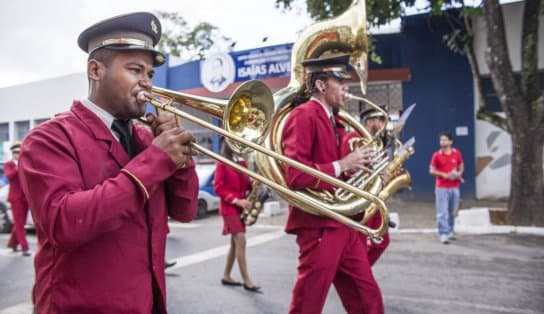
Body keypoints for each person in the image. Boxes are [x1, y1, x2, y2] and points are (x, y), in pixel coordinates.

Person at [17, 12, 198, 313]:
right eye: (135, 70)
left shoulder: (145, 139)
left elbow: (186, 211)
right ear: (95, 70)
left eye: (150, 74)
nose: (147, 84)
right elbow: (64, 224)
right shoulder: (48, 138)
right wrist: (156, 160)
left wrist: (178, 159)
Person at [282, 53, 384, 314]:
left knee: (368, 298)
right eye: (339, 80)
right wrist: (344, 164)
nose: (345, 86)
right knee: (308, 303)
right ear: (321, 84)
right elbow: (295, 175)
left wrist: (365, 172)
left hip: (342, 221)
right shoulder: (303, 115)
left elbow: (339, 172)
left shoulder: (333, 120)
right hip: (318, 225)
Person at [340, 107, 390, 267]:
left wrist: (384, 176)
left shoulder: (375, 142)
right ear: (370, 121)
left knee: (382, 241)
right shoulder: (354, 138)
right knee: (359, 245)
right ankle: (359, 274)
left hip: (372, 198)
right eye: (380, 120)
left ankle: (361, 272)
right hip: (359, 199)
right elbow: (350, 171)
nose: (383, 124)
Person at [213, 140, 260, 293]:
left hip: (239, 208)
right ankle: (247, 280)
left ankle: (226, 275)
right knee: (241, 241)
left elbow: (245, 185)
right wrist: (237, 200)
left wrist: (253, 184)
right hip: (229, 208)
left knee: (235, 244)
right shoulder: (222, 163)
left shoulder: (242, 163)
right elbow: (218, 188)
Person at [429, 132, 464, 244]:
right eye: (441, 140)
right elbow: (431, 170)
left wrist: (458, 173)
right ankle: (443, 233)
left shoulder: (456, 153)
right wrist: (444, 175)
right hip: (442, 187)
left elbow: (461, 165)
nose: (442, 142)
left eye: (445, 140)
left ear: (450, 141)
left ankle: (450, 231)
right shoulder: (436, 155)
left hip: (455, 186)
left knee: (452, 211)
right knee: (442, 212)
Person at [5, 141, 31, 257]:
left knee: (21, 222)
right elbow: (9, 176)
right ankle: (24, 247)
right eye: (15, 152)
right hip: (15, 198)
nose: (17, 154)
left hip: (25, 197)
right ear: (12, 153)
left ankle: (12, 243)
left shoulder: (25, 164)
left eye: (19, 152)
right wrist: (17, 167)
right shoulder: (9, 164)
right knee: (19, 223)